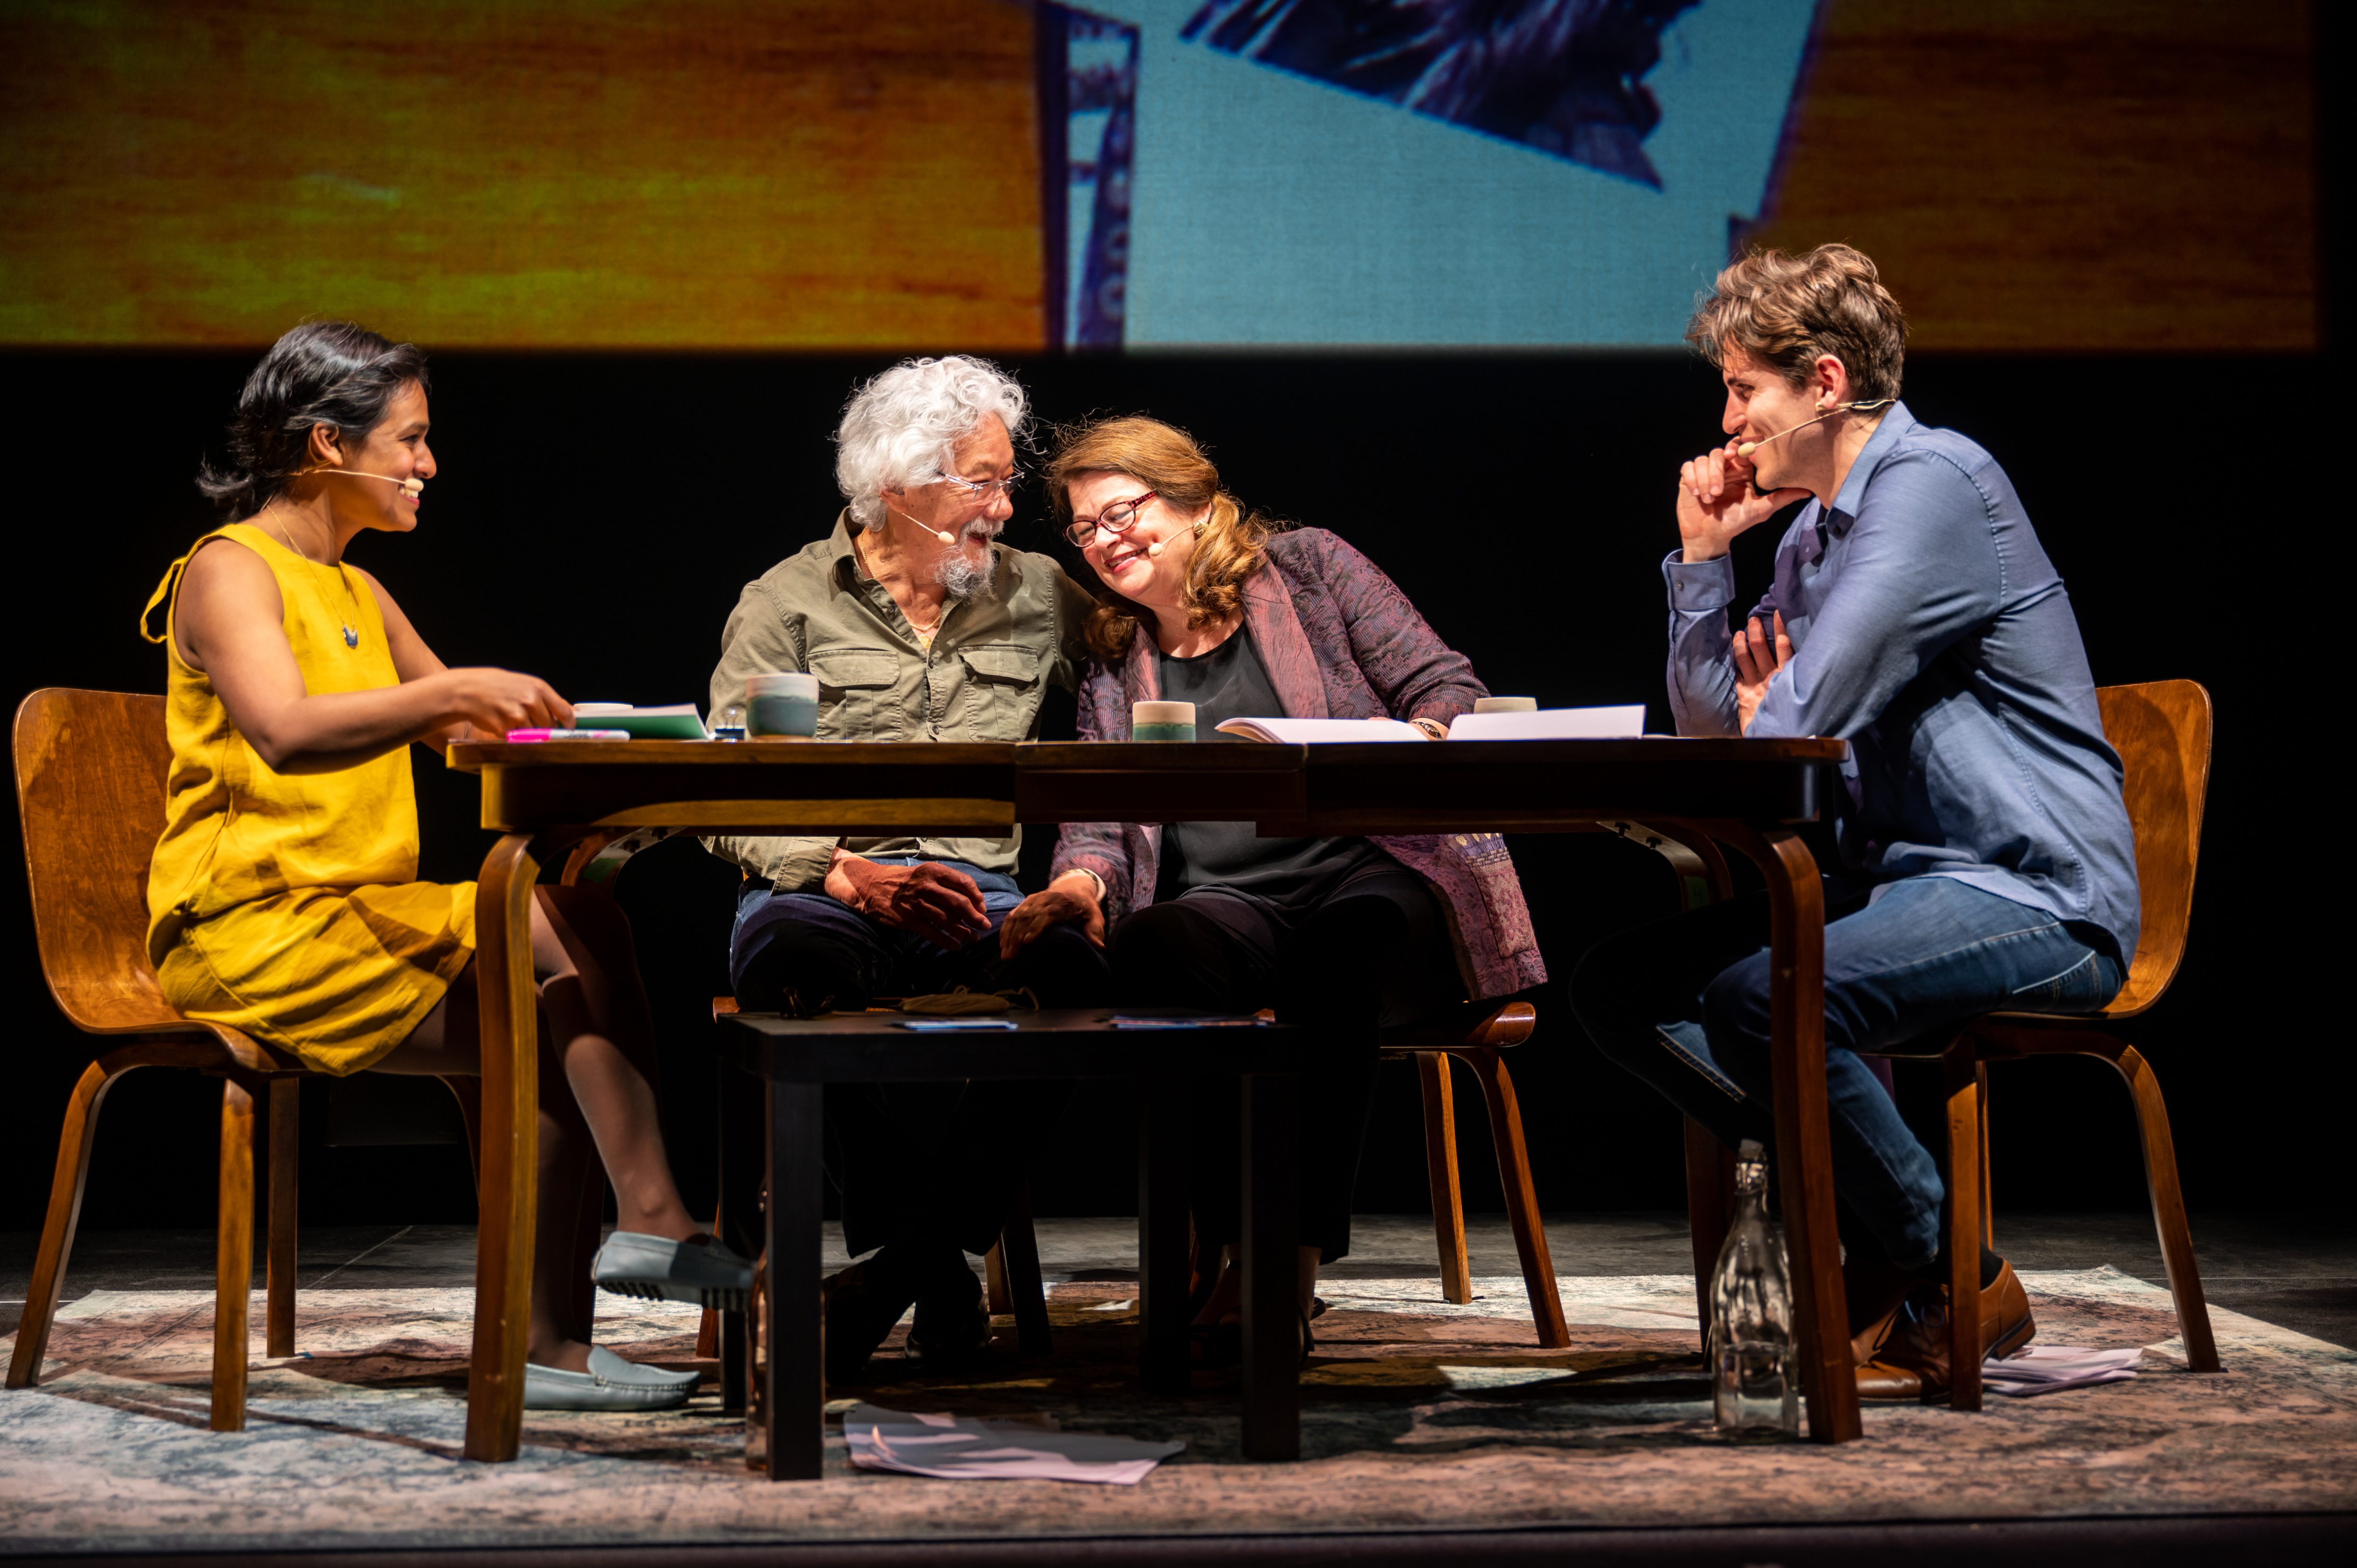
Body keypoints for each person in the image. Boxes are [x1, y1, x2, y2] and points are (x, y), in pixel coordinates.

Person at [1567, 245, 2141, 1401]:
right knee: (1624, 989)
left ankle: (1936, 1275)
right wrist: (1700, 559)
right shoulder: (1812, 536)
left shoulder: (1934, 485)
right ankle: (1925, 1253)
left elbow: (1797, 717)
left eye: (1744, 390)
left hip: (2035, 891)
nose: (1726, 422)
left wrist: (1773, 709)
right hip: (1906, 886)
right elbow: (1722, 740)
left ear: (1824, 383)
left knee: (1762, 999)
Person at [144, 322, 750, 1411]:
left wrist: (601, 738)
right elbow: (284, 729)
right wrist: (453, 688)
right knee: (557, 986)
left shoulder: (360, 592)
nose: (428, 463)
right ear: (329, 442)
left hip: (362, 917)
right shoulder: (229, 570)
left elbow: (465, 732)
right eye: (410, 439)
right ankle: (616, 1260)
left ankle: (584, 1301)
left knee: (578, 936)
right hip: (252, 931)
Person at [1000, 415, 1547, 1365]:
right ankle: (1227, 1242)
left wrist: (1417, 738)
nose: (1104, 541)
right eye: (1085, 529)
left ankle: (1280, 1264)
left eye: (1122, 513)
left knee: (1337, 955)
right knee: (1153, 945)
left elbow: (1446, 684)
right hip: (1233, 904)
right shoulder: (1112, 653)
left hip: (1379, 872)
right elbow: (1098, 812)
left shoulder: (1312, 569)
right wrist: (1080, 881)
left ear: (1195, 503)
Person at [706, 355, 1110, 1380]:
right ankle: (932, 1267)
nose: (1005, 505)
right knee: (786, 965)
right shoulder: (787, 601)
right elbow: (719, 793)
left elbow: (1141, 670)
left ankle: (897, 1270)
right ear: (896, 486)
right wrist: (844, 873)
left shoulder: (1036, 591)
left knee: (1078, 972)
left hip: (984, 894)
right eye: (981, 482)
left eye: (1005, 480)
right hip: (829, 887)